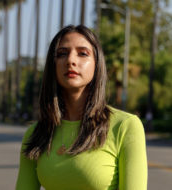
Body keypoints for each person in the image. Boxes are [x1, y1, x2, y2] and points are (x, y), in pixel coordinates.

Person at [16, 25, 147, 190]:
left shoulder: (125, 126)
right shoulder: (36, 134)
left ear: (96, 64)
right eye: (62, 53)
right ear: (53, 64)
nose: (71, 60)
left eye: (83, 53)